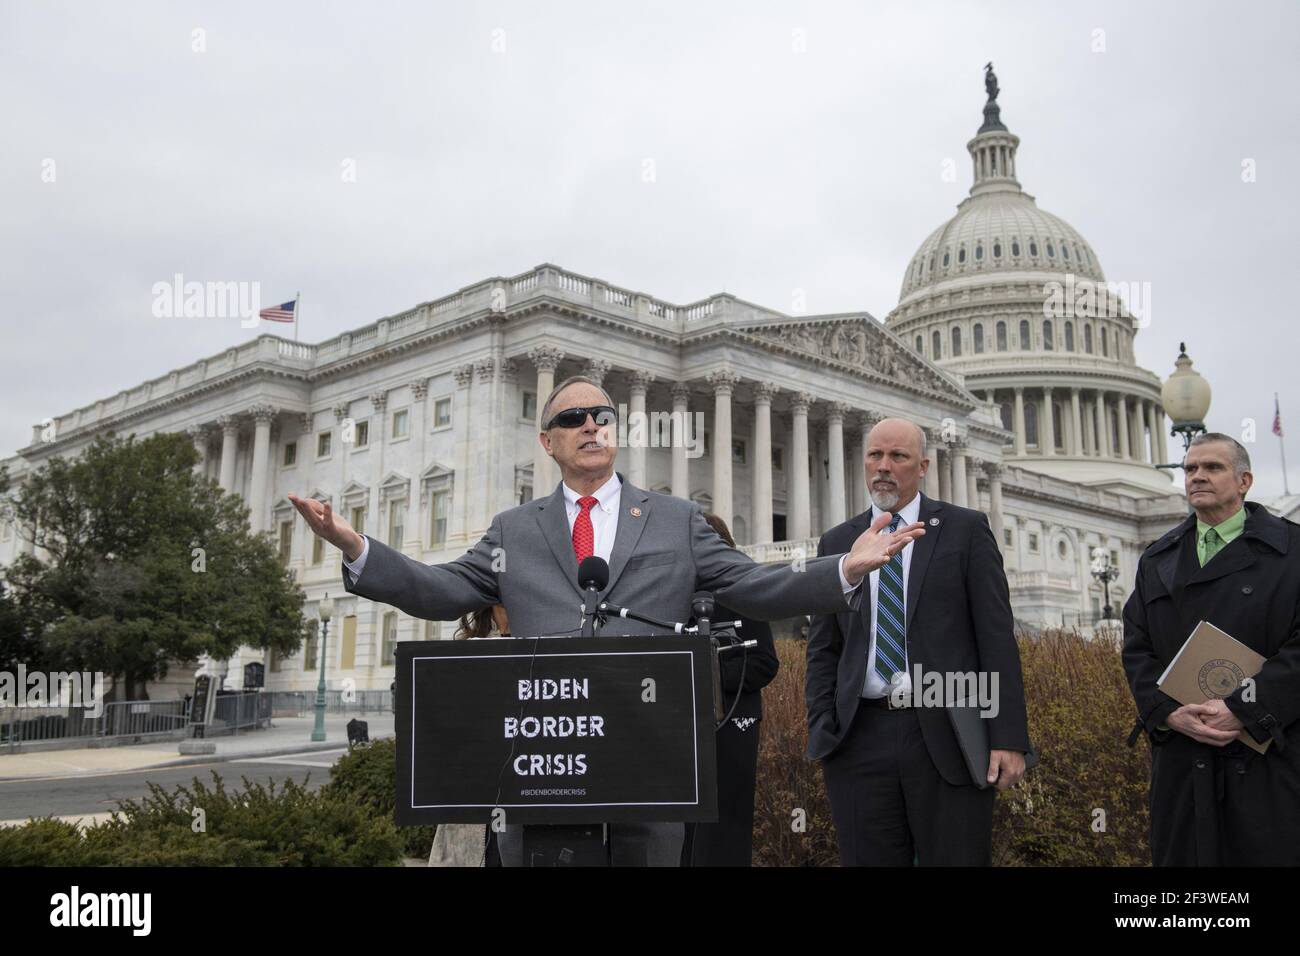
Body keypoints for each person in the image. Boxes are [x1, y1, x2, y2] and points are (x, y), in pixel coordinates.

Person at [289, 375, 924, 866]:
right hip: (543, 769)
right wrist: (357, 549)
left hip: (648, 769)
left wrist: (844, 568)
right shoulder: (516, 530)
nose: (592, 426)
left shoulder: (677, 521)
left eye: (603, 416)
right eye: (573, 419)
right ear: (549, 442)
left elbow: (756, 585)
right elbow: (441, 589)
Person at [805, 417, 1030, 866]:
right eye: (875, 455)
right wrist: (822, 726)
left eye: (898, 456)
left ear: (923, 465)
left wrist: (1008, 737)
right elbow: (824, 648)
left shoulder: (964, 531)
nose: (883, 467)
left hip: (947, 729)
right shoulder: (839, 541)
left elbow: (995, 638)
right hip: (859, 737)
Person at [1122, 433, 1300, 865]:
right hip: (1184, 759)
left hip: (1268, 756)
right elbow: (1137, 648)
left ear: (1244, 481)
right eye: (1190, 469)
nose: (1198, 477)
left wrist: (1243, 707)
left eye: (1212, 468)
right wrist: (1165, 711)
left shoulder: (1292, 551)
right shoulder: (1157, 558)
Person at [680, 512, 779, 867]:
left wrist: (703, 670)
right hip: (676, 732)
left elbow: (764, 662)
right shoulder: (670, 597)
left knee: (725, 829)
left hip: (731, 730)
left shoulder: (743, 593)